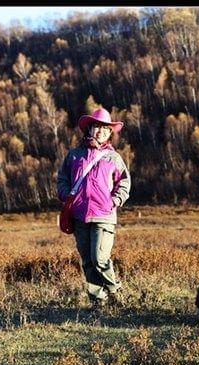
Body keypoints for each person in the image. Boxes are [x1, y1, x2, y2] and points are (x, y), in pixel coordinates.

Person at [57, 107, 131, 308]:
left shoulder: (113, 158)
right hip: (79, 215)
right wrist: (66, 194)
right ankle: (98, 301)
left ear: (110, 133)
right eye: (97, 127)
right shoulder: (74, 155)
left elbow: (124, 183)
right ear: (89, 129)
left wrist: (115, 200)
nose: (101, 131)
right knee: (88, 261)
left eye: (106, 129)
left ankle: (115, 290)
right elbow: (62, 178)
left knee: (99, 258)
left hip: (104, 215)